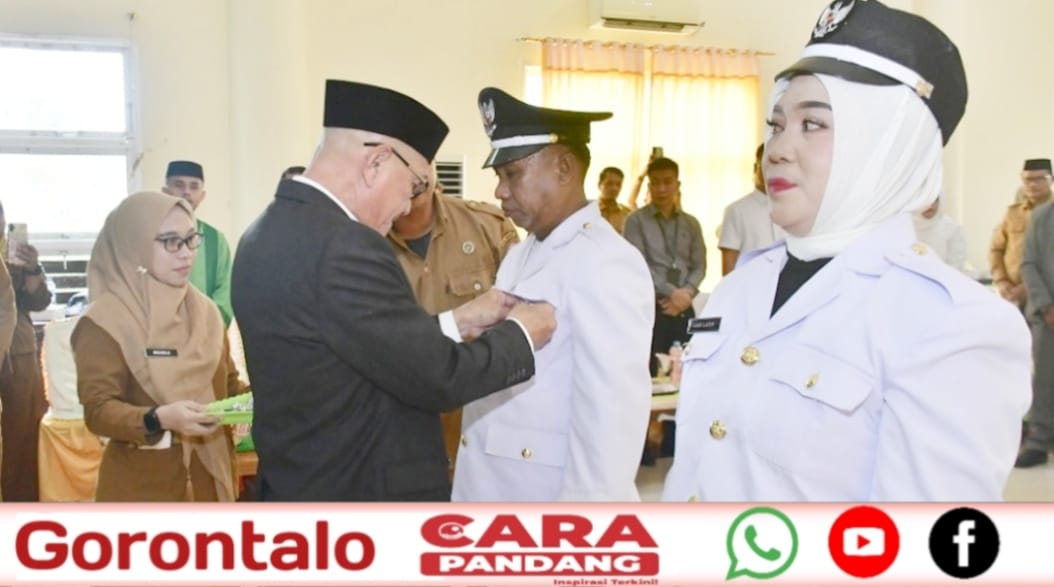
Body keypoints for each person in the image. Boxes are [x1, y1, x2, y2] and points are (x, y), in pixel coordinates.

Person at [662, 0, 1031, 502]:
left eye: (813, 124)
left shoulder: (951, 324)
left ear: (890, 148)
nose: (778, 149)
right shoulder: (738, 289)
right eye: (777, 125)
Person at [231, 80, 555, 501]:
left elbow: (361, 348)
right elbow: (438, 378)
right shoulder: (346, 245)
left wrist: (455, 321)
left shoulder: (264, 232)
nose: (407, 206)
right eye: (415, 185)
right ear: (377, 162)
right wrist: (522, 333)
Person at [451, 88, 653, 502]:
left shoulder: (606, 262)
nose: (500, 191)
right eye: (498, 177)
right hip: (495, 488)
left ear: (563, 168)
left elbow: (610, 416)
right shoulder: (522, 252)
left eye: (512, 174)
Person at [72, 192, 241, 501]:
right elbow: (98, 411)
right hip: (143, 491)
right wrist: (158, 418)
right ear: (134, 244)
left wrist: (266, 398)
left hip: (211, 482)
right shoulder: (105, 322)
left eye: (191, 239)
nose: (186, 253)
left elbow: (227, 386)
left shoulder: (205, 313)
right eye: (171, 242)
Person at [387, 173, 519, 474]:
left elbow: (524, 328)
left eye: (422, 160)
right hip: (401, 443)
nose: (414, 174)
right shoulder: (360, 241)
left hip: (481, 438)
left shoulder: (487, 226)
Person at [624, 157, 706, 375]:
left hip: (684, 308)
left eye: (667, 182)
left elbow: (700, 265)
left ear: (677, 185)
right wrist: (672, 293)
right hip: (651, 307)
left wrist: (686, 294)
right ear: (649, 185)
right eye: (656, 182)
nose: (661, 189)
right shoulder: (635, 221)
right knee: (651, 371)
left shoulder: (691, 223)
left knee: (687, 369)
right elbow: (638, 266)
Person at [0, 200, 52, 502]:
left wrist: (32, 268)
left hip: (18, 349)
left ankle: (19, 502)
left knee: (23, 431)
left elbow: (39, 301)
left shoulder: (14, 253)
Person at [162, 161, 235, 327]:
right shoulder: (151, 235)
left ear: (202, 195)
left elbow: (225, 294)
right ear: (165, 191)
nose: (187, 192)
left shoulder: (216, 240)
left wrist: (203, 330)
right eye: (179, 185)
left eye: (194, 187)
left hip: (206, 333)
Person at [1019, 199, 1054, 467]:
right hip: (1048, 316)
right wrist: (1046, 306)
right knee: (1044, 380)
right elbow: (1028, 264)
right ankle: (1037, 443)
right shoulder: (1042, 217)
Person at [991, 158, 1053, 308]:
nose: (1032, 184)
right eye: (1027, 180)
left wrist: (1029, 286)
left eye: (1039, 179)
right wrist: (1002, 281)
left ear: (1051, 180)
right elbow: (996, 249)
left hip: (1047, 297)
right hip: (1011, 295)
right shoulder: (1013, 213)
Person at [718, 143, 776, 275]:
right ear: (756, 168)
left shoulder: (794, 208)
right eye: (766, 165)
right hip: (750, 284)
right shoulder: (736, 210)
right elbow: (728, 270)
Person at [912, 195, 967, 272]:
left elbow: (955, 268)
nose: (930, 205)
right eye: (925, 199)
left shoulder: (952, 229)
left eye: (935, 200)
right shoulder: (903, 228)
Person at [596, 166, 632, 234]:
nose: (614, 188)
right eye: (609, 183)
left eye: (618, 185)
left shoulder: (627, 214)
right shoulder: (589, 211)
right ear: (599, 185)